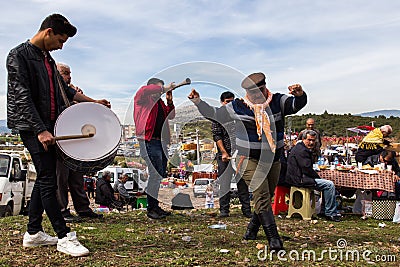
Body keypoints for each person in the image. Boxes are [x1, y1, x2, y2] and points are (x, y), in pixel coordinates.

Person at [7, 14, 110, 257]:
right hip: (33, 127)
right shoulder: (18, 55)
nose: (62, 46)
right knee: (48, 178)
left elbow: (66, 91)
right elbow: (21, 96)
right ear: (49, 32)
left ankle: (33, 233)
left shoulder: (48, 60)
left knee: (45, 177)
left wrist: (93, 102)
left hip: (51, 126)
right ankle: (64, 236)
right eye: (61, 40)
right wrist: (40, 129)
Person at [188, 72, 307, 251]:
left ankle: (252, 230)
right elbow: (214, 113)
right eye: (252, 94)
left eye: (258, 92)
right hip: (247, 159)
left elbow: (296, 105)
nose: (255, 97)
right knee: (261, 195)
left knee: (266, 196)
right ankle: (274, 240)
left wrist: (299, 94)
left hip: (273, 159)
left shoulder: (277, 101)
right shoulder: (238, 106)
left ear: (264, 88)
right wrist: (198, 102)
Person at [55, 62, 102, 222]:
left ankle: (83, 208)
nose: (69, 77)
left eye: (69, 73)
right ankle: (62, 211)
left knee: (76, 177)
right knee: (60, 178)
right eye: (65, 73)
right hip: (61, 140)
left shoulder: (70, 91)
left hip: (74, 140)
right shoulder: (55, 89)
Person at [133, 78, 176, 219]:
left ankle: (155, 207)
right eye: (158, 88)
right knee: (155, 175)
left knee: (159, 175)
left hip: (161, 142)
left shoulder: (160, 103)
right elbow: (144, 90)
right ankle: (151, 209)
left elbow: (171, 115)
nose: (160, 91)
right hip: (149, 141)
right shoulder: (143, 99)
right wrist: (165, 88)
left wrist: (169, 101)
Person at [286, 130, 341, 222]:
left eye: (313, 140)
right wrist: (317, 178)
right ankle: (331, 213)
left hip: (297, 177)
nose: (311, 143)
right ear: (303, 139)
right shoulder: (302, 151)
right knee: (329, 185)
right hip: (300, 179)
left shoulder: (299, 147)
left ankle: (325, 210)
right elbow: (306, 169)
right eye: (309, 140)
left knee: (326, 184)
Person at [212, 91, 251, 218]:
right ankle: (224, 210)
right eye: (227, 102)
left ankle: (247, 210)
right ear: (222, 102)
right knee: (224, 183)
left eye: (232, 101)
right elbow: (217, 135)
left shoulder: (238, 114)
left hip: (240, 154)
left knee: (242, 183)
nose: (230, 104)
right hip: (225, 156)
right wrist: (223, 152)